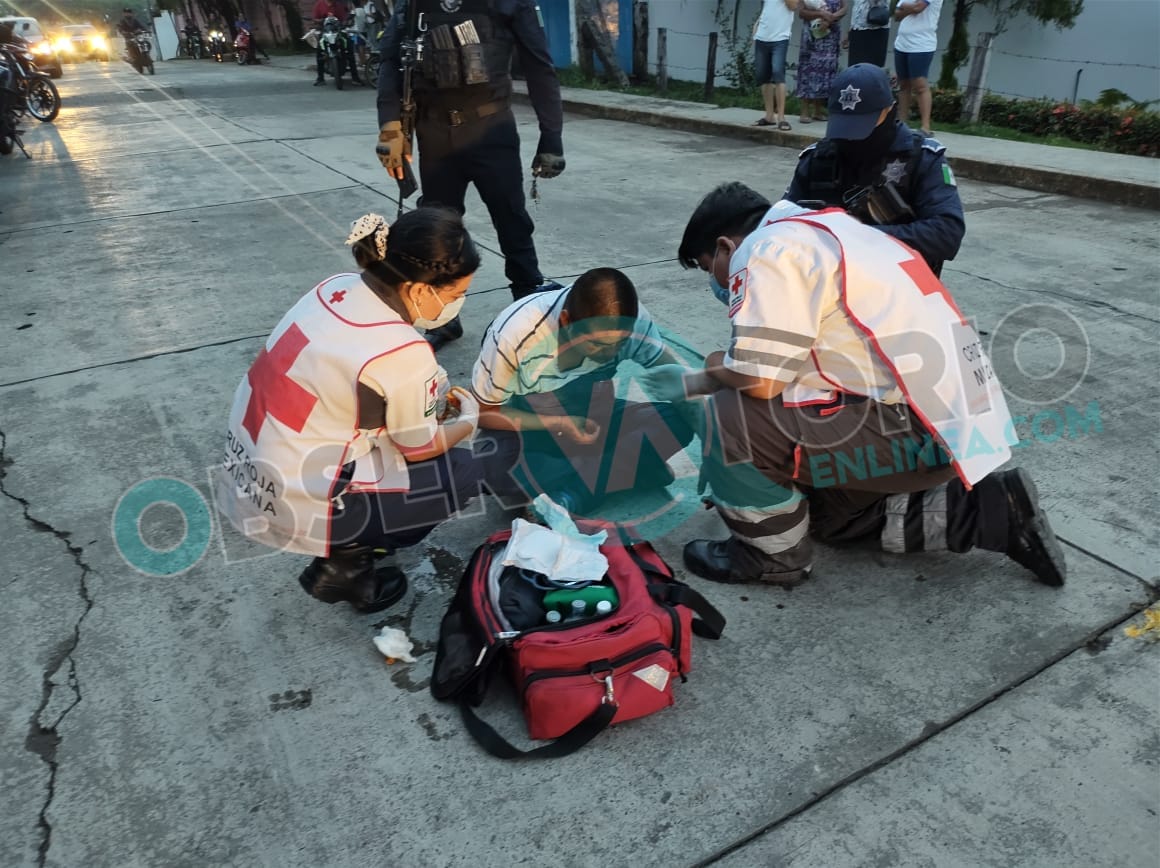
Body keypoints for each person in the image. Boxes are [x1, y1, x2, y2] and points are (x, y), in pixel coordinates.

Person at [652, 182, 1065, 589]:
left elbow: (761, 380)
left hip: (915, 428)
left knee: (728, 412)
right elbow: (810, 360)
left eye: (711, 268)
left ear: (726, 246)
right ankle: (992, 510)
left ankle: (771, 557)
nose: (719, 283)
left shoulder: (766, 249)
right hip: (957, 427)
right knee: (832, 521)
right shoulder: (836, 233)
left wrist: (697, 381)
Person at [213, 209, 492, 614]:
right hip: (297, 499)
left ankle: (347, 539)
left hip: (250, 467)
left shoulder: (336, 288)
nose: (457, 304)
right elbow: (419, 447)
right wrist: (467, 421)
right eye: (453, 295)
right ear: (417, 290)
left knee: (390, 444)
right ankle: (348, 563)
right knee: (465, 470)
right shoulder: (404, 352)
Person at [376, 0, 566, 351]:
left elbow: (540, 69)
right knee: (436, 230)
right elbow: (390, 64)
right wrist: (390, 126)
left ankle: (527, 309)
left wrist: (551, 137)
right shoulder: (414, 5)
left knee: (512, 222)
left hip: (491, 128)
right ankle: (443, 319)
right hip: (433, 131)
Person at [469, 268, 695, 512]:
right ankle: (627, 470)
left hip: (596, 418)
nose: (609, 353)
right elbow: (482, 412)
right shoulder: (514, 335)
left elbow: (679, 379)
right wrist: (557, 424)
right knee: (487, 462)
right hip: (533, 425)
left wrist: (714, 442)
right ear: (566, 322)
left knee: (678, 421)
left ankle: (580, 489)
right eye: (597, 344)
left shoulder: (634, 320)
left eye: (619, 344)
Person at [784, 63, 964, 276]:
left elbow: (947, 234)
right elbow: (782, 222)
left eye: (861, 125)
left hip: (900, 288)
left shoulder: (922, 158)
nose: (851, 137)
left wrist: (858, 236)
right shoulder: (818, 158)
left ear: (889, 111)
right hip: (828, 287)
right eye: (845, 125)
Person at [893, 0, 943, 135]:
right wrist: (906, 8)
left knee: (920, 84)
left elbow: (918, 7)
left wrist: (904, 7)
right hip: (902, 43)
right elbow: (897, 14)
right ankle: (902, 123)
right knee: (904, 84)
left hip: (921, 44)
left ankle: (925, 126)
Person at [795, 0, 846, 125]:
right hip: (813, 34)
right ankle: (805, 111)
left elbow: (845, 8)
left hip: (831, 32)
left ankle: (817, 111)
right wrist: (821, 14)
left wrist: (831, 17)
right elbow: (801, 12)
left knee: (825, 71)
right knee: (808, 69)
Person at [752, 0, 799, 130]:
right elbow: (768, 8)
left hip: (780, 37)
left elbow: (793, 6)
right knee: (763, 76)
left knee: (778, 72)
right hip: (762, 35)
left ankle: (781, 118)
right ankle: (769, 116)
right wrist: (756, 25)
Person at [312, 0, 363, 86]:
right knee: (319, 53)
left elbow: (344, 18)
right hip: (325, 32)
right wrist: (320, 21)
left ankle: (355, 78)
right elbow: (314, 18)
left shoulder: (339, 5)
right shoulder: (319, 5)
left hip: (338, 32)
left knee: (350, 51)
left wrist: (346, 22)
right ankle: (320, 78)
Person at [845, 0, 890, 67]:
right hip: (857, 29)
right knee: (855, 67)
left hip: (876, 27)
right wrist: (850, 33)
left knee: (871, 68)